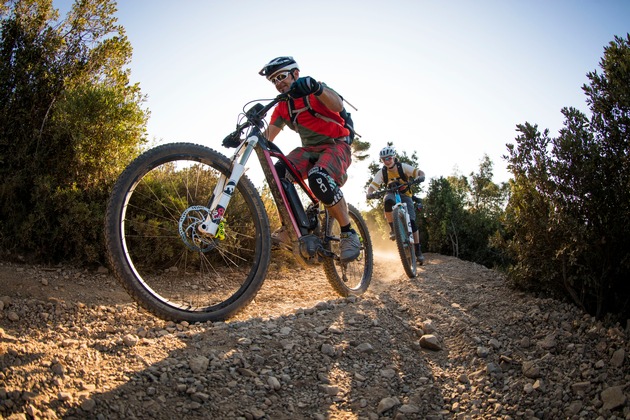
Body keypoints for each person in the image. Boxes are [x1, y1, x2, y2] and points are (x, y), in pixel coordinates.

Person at [259, 56, 360, 263]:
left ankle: (349, 233)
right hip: (309, 150)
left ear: (295, 73)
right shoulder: (282, 107)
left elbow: (337, 104)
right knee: (277, 172)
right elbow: (268, 137)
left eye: (281, 77)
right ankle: (291, 226)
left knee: (318, 176)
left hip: (336, 144)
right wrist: (248, 136)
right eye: (273, 81)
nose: (278, 83)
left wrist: (316, 88)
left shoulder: (315, 91)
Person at [366, 145, 426, 265]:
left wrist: (421, 176)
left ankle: (418, 249)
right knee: (387, 201)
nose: (387, 161)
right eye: (384, 159)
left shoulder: (402, 167)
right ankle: (393, 229)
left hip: (405, 194)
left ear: (394, 157)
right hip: (392, 193)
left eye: (389, 158)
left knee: (412, 222)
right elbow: (372, 186)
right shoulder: (382, 172)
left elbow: (418, 171)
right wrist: (370, 193)